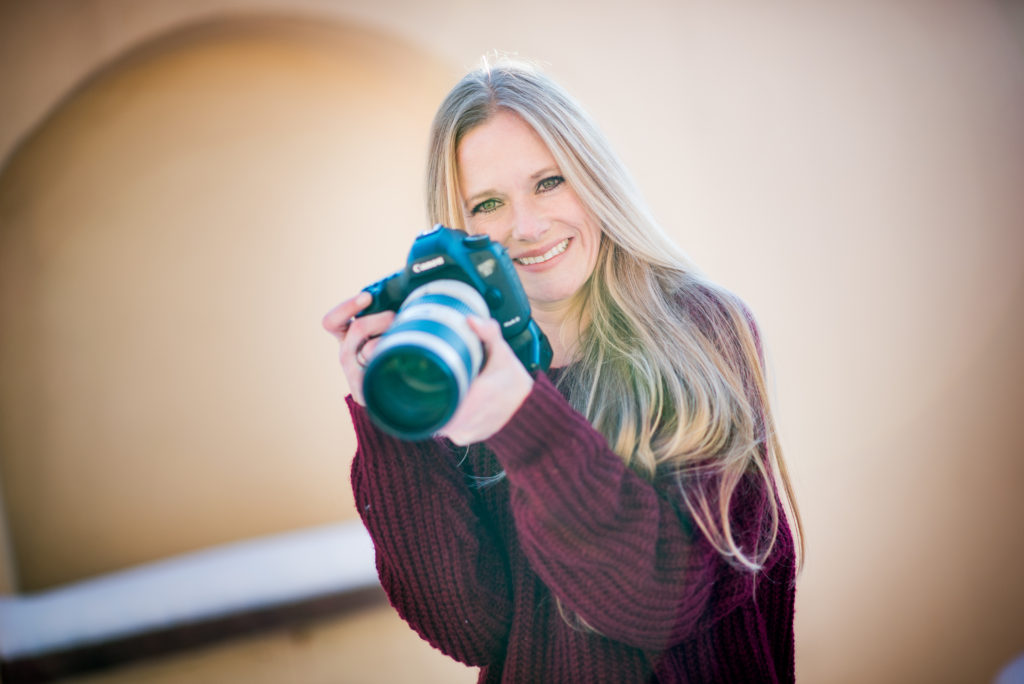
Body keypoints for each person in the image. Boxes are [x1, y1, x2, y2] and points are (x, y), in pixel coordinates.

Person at [323, 57, 803, 683]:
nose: (525, 226)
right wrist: (395, 414)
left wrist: (522, 418)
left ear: (594, 177)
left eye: (548, 182)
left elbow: (663, 604)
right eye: (489, 203)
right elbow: (469, 626)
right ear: (461, 229)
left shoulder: (702, 331)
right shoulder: (457, 357)